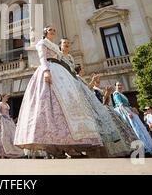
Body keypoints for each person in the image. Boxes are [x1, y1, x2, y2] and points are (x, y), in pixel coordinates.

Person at [14, 27, 103, 158]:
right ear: (45, 32)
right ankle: (54, 147)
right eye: (50, 30)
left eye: (54, 30)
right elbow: (42, 57)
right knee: (51, 107)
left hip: (61, 73)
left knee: (67, 108)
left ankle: (69, 145)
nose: (53, 31)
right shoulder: (42, 43)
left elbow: (63, 61)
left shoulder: (56, 46)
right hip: (49, 69)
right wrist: (46, 71)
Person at [61, 38, 123, 158]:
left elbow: (86, 89)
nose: (67, 45)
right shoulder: (75, 76)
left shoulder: (72, 61)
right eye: (65, 43)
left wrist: (93, 81)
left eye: (69, 43)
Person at [113, 82, 152, 155]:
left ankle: (145, 147)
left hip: (128, 110)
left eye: (121, 85)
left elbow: (127, 105)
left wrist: (132, 109)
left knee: (138, 128)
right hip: (123, 112)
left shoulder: (122, 94)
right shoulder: (116, 94)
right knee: (133, 129)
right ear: (115, 86)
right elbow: (120, 105)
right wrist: (127, 113)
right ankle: (139, 148)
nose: (119, 86)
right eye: (118, 85)